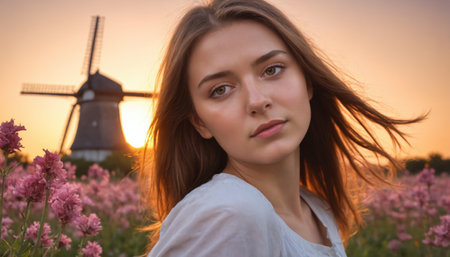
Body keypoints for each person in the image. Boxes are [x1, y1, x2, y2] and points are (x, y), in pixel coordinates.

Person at [139, 0, 424, 256]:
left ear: (307, 80)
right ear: (200, 122)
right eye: (221, 89)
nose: (257, 101)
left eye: (272, 70)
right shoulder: (233, 214)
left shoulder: (317, 210)